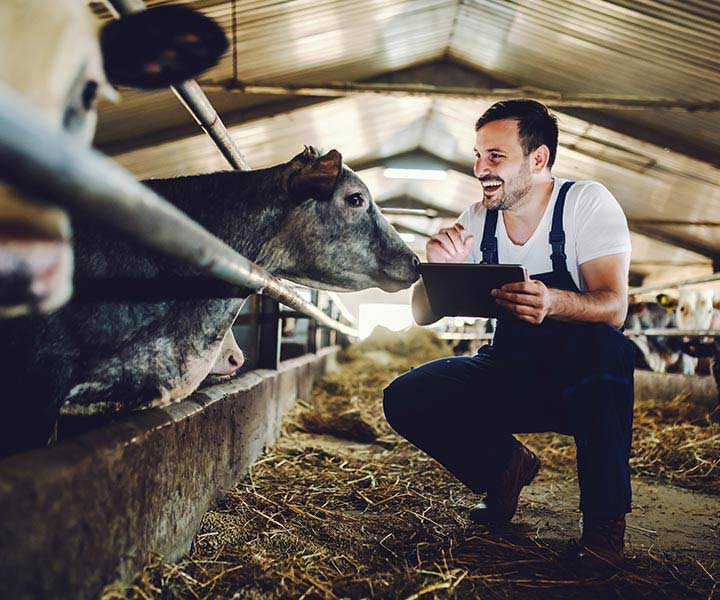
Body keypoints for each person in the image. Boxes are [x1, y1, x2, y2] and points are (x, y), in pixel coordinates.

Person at [383, 99, 635, 567]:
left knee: (609, 351)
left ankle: (604, 528)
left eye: (495, 156)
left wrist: (555, 301)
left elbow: (614, 306)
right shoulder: (478, 219)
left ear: (538, 158)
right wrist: (434, 269)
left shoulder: (583, 203)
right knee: (405, 396)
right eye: (478, 156)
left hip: (580, 375)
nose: (481, 169)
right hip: (511, 364)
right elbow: (421, 314)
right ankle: (503, 468)